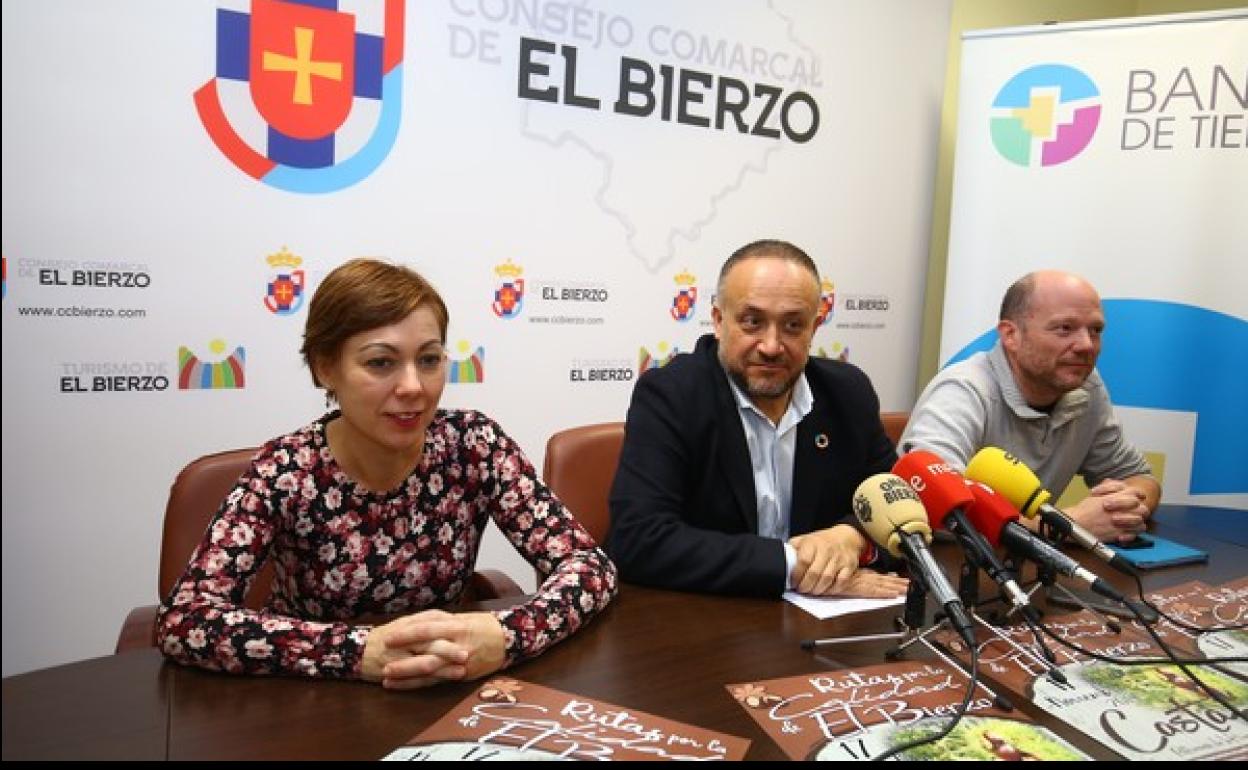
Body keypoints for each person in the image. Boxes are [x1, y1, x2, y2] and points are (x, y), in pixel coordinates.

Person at [156, 259, 617, 688]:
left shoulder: (474, 445)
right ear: (325, 368)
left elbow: (591, 568)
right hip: (316, 700)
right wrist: (359, 652)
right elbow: (185, 619)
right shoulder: (285, 469)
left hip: (449, 690)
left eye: (429, 360)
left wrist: (506, 635)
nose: (413, 387)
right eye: (381, 362)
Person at [607, 239, 909, 599]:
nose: (771, 346)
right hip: (712, 617)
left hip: (824, 619)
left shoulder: (847, 393)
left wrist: (852, 537)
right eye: (752, 322)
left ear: (814, 327)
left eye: (793, 325)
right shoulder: (672, 395)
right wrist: (793, 565)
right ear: (718, 321)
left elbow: (901, 504)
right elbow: (638, 539)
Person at [900, 270, 1159, 543]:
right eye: (1065, 328)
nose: (1086, 345)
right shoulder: (962, 390)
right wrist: (1069, 526)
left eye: (1095, 330)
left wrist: (1122, 508)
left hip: (1028, 561)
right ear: (1011, 335)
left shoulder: (1085, 385)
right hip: (951, 564)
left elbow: (1137, 476)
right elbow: (934, 507)